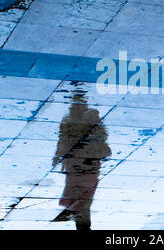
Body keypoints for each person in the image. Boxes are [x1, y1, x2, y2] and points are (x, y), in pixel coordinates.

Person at [52, 91, 111, 230]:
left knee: (83, 195)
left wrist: (59, 154)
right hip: (83, 167)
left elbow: (63, 140)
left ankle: (80, 219)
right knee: (83, 195)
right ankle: (80, 219)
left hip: (81, 166)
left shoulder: (72, 122)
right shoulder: (85, 121)